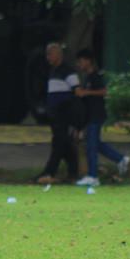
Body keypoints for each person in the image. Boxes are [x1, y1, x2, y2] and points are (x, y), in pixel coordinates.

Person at [73, 49, 130, 186]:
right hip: (91, 115)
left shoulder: (95, 76)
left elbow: (103, 91)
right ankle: (121, 159)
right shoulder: (87, 77)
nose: (78, 64)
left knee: (91, 146)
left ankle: (93, 176)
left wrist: (85, 93)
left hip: (96, 115)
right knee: (95, 143)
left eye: (80, 61)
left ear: (88, 61)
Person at [34, 42, 80, 184]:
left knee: (58, 144)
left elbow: (76, 91)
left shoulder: (67, 70)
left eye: (50, 54)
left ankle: (49, 172)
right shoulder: (53, 70)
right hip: (54, 114)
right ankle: (73, 171)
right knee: (64, 144)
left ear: (58, 55)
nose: (48, 57)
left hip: (63, 114)